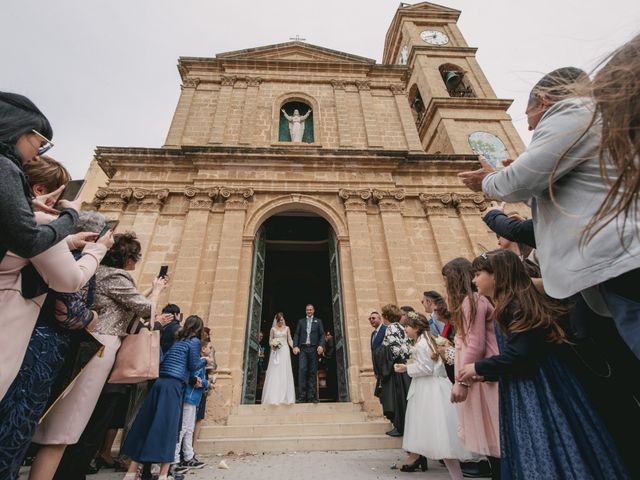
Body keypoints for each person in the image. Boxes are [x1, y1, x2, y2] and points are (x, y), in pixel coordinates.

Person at [458, 67, 640, 358]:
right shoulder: (597, 119)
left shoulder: (570, 113)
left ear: (542, 100)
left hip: (620, 258)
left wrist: (488, 182)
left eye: (529, 117)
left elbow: (521, 180)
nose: (529, 128)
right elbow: (559, 194)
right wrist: (517, 178)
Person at [458, 249, 630, 479]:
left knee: (544, 442)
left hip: (538, 386)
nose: (474, 280)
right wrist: (489, 373)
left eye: (478, 274)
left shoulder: (515, 305)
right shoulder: (515, 302)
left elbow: (522, 354)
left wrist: (478, 368)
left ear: (497, 275)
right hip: (532, 383)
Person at [31, 233, 167, 480]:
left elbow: (123, 301)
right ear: (127, 258)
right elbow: (147, 310)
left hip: (81, 342)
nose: (136, 262)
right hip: (100, 346)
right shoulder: (116, 275)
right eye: (135, 257)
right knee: (69, 424)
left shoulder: (95, 271)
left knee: (66, 420)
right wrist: (157, 290)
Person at [0, 199, 111, 480]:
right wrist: (94, 317)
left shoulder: (50, 243)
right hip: (41, 348)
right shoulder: (67, 253)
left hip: (26, 337)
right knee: (16, 423)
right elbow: (70, 306)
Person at [0, 174, 108, 402]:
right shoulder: (37, 223)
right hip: (34, 336)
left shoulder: (22, 223)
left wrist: (68, 241)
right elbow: (70, 284)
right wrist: (97, 250)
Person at [121, 315, 208, 480]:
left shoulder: (178, 341)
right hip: (173, 386)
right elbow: (192, 365)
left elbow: (166, 360)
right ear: (199, 328)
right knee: (169, 427)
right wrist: (205, 360)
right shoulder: (195, 342)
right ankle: (163, 474)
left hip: (160, 383)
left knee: (147, 423)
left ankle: (131, 472)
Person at [0, 92, 81, 262]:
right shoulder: (5, 167)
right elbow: (29, 242)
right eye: (41, 144)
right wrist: (71, 214)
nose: (38, 155)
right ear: (20, 131)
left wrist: (25, 203)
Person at [394, 311, 472, 479]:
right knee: (441, 437)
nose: (405, 329)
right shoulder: (425, 340)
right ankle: (456, 475)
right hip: (431, 388)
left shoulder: (422, 344)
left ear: (415, 327)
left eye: (407, 326)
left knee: (440, 435)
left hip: (430, 391)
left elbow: (426, 369)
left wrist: (406, 368)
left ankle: (457, 476)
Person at [442, 258, 501, 477]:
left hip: (480, 377)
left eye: (448, 281)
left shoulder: (471, 302)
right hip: (479, 374)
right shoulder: (476, 300)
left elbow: (475, 343)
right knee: (494, 436)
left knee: (495, 436)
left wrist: (462, 382)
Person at [173, 340, 211, 473]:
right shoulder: (199, 362)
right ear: (203, 349)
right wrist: (207, 383)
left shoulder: (198, 362)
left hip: (193, 399)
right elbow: (196, 380)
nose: (211, 351)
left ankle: (188, 456)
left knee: (189, 428)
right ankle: (175, 459)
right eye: (209, 348)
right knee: (183, 428)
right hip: (190, 397)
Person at [375, 304, 411, 437]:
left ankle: (399, 426)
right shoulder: (402, 327)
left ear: (386, 317)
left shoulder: (391, 327)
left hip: (396, 368)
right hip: (404, 366)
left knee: (396, 398)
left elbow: (394, 349)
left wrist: (381, 355)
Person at [292, 304, 325, 403]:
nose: (309, 311)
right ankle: (302, 396)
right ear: (305, 311)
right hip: (303, 349)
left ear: (313, 311)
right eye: (307, 310)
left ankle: (311, 396)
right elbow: (297, 334)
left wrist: (321, 345)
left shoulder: (318, 321)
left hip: (313, 349)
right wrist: (295, 346)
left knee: (312, 372)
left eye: (310, 310)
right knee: (302, 370)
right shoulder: (301, 322)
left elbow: (322, 335)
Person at [262, 312, 296, 405]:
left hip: (285, 351)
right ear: (276, 320)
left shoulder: (287, 328)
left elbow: (289, 339)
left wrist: (293, 347)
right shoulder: (273, 329)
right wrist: (272, 346)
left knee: (285, 371)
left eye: (282, 320)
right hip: (276, 352)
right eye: (279, 320)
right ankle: (274, 397)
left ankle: (285, 397)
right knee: (275, 372)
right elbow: (270, 340)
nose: (281, 321)